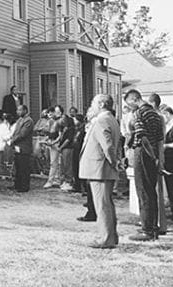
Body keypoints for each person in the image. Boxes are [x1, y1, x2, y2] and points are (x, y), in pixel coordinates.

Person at [78, 94, 121, 249]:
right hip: (101, 169)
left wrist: (113, 162)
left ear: (102, 104)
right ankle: (111, 236)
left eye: (93, 102)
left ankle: (105, 238)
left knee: (102, 205)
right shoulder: (110, 119)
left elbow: (108, 146)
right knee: (106, 203)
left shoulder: (102, 120)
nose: (92, 105)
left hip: (100, 169)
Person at [125, 89, 165, 241]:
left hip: (143, 152)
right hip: (153, 151)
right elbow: (160, 138)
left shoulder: (139, 113)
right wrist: (159, 159)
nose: (129, 107)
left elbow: (142, 137)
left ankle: (147, 230)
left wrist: (151, 155)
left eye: (129, 104)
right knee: (151, 190)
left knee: (143, 190)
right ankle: (153, 226)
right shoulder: (155, 114)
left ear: (134, 99)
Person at [10, 105, 34, 192]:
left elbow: (23, 134)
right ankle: (17, 184)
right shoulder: (20, 120)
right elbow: (15, 132)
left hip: (24, 147)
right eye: (17, 110)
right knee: (18, 167)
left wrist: (13, 140)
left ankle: (24, 186)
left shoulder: (28, 120)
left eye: (20, 110)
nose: (18, 112)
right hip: (17, 146)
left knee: (24, 167)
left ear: (25, 110)